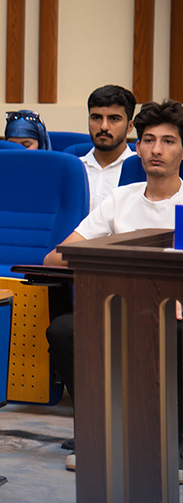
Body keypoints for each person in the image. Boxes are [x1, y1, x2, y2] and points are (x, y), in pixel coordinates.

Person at [43, 99, 183, 479]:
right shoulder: (121, 198)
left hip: (174, 312)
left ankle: (174, 444)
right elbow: (56, 258)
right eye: (149, 140)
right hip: (120, 306)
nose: (156, 150)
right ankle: (99, 433)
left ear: (182, 150)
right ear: (138, 147)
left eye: (168, 141)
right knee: (64, 330)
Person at [80, 85, 136, 212]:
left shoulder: (141, 170)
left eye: (114, 119)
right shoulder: (74, 169)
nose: (103, 127)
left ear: (129, 127)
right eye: (96, 118)